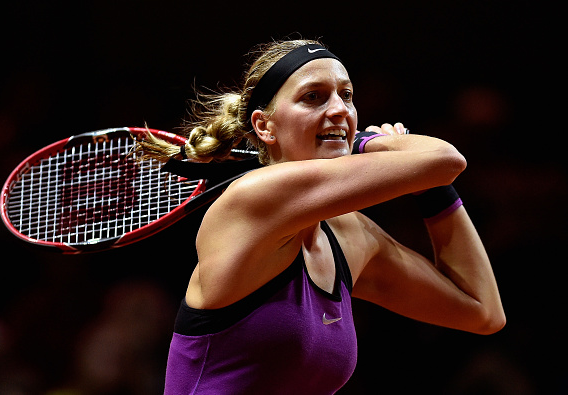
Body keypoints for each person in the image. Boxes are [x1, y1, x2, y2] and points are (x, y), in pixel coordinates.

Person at [136, 39, 506, 394]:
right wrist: (370, 142)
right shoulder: (253, 198)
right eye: (313, 97)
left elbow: (482, 311)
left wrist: (430, 186)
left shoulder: (350, 235)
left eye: (346, 96)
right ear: (265, 126)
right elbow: (447, 159)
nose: (339, 110)